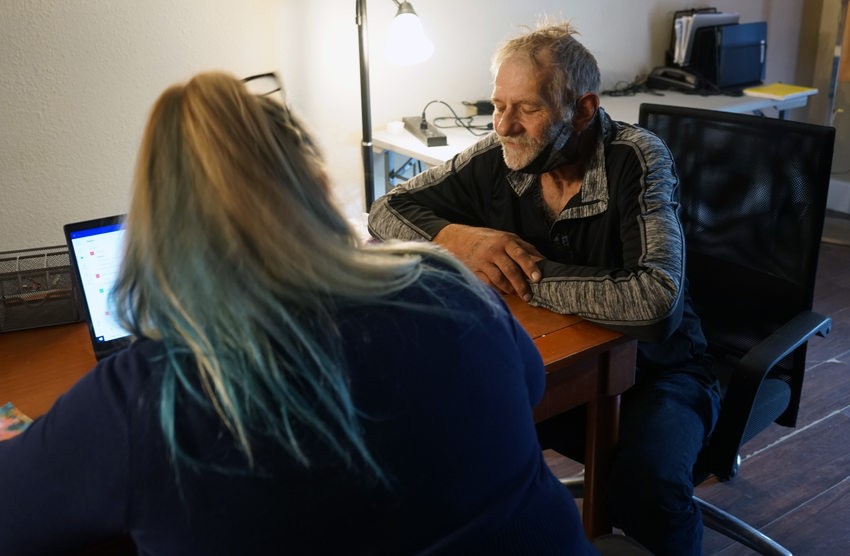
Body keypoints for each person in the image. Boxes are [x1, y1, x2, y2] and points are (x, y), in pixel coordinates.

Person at [0, 71, 601, 555]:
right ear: (316, 186)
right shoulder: (445, 283)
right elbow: (527, 383)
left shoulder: (144, 396)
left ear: (160, 229)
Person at [368, 21, 722, 556]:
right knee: (442, 441)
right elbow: (385, 210)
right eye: (497, 104)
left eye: (526, 108)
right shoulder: (498, 151)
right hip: (560, 362)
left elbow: (655, 303)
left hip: (662, 372)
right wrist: (461, 239)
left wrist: (520, 273)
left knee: (647, 486)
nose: (503, 125)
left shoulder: (638, 157)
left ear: (582, 110)